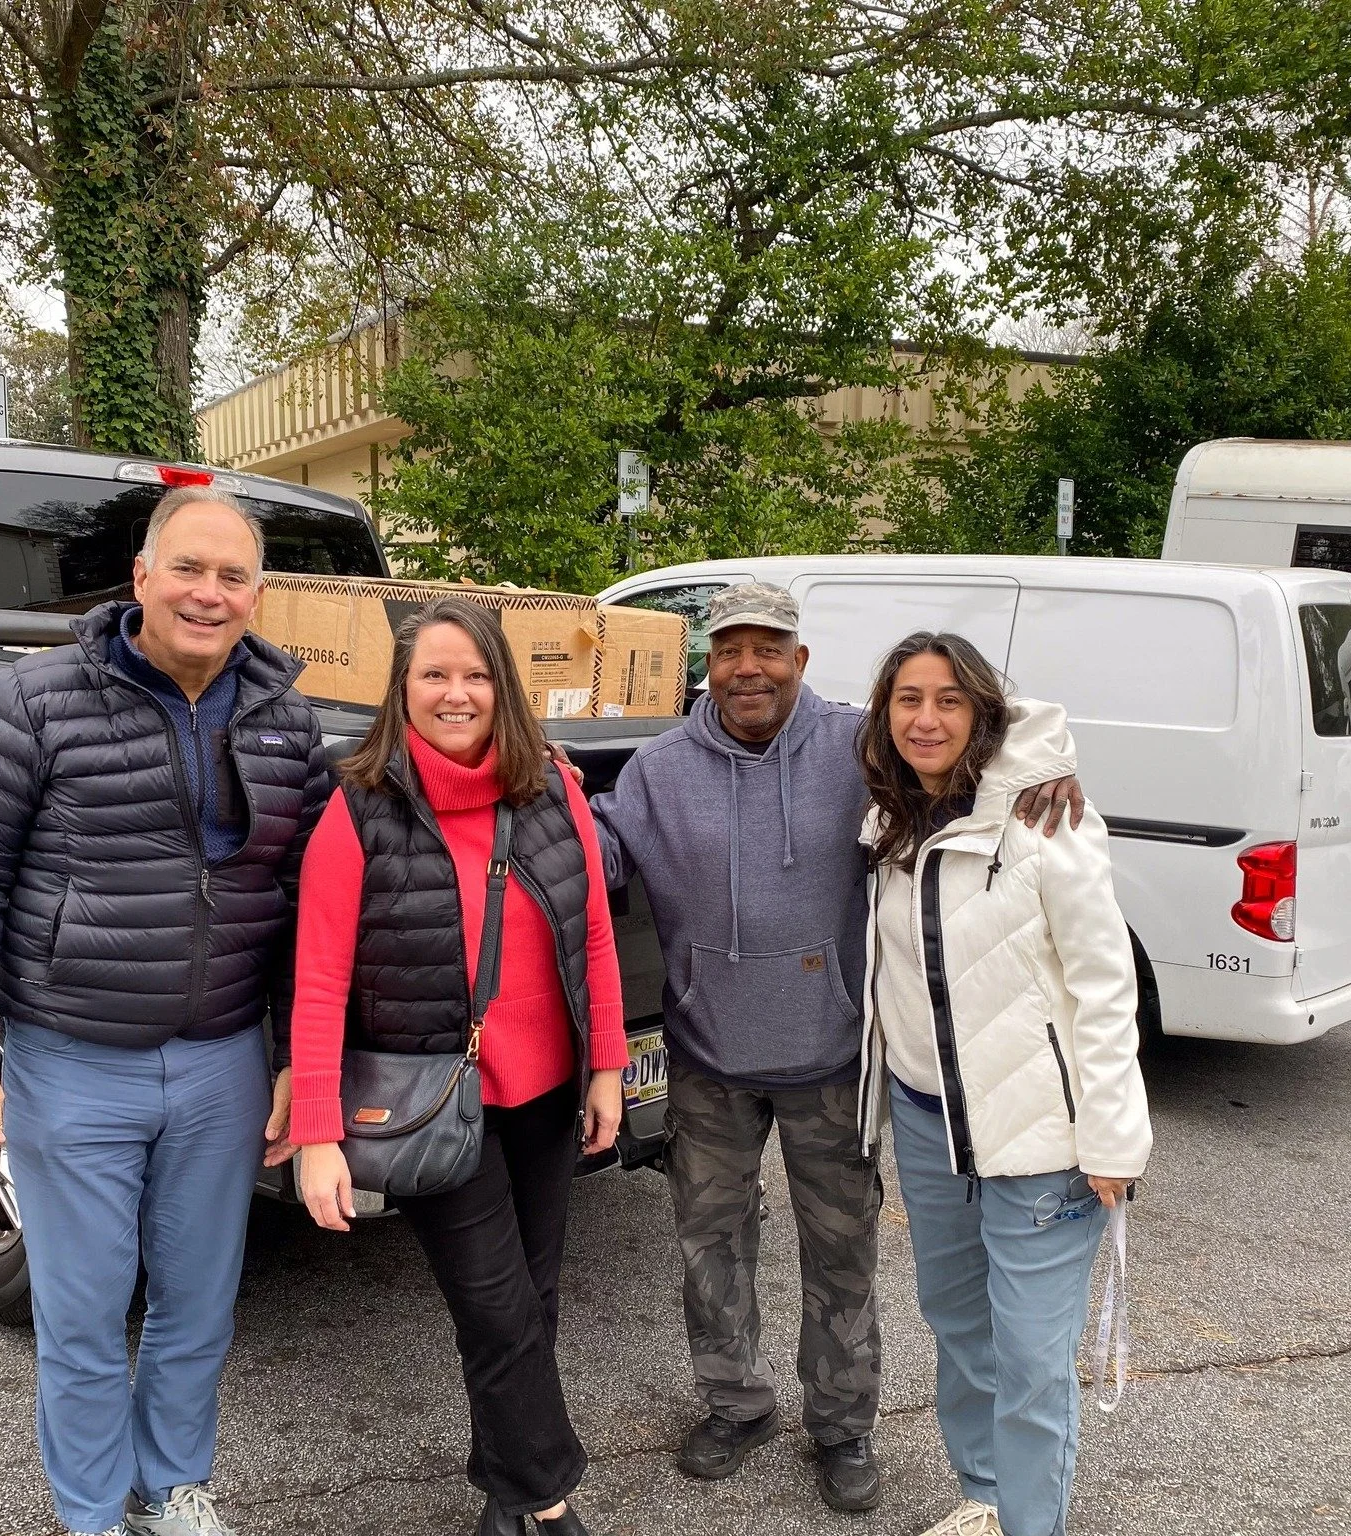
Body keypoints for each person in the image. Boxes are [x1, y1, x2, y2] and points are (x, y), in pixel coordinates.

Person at [586, 582, 1083, 1516]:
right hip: (708, 1058)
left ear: (800, 660)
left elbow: (964, 741)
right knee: (710, 1246)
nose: (748, 667)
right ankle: (735, 1404)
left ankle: (844, 1425)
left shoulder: (859, 748)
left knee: (843, 1251)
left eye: (768, 648)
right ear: (709, 665)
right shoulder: (659, 769)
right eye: (730, 649)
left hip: (832, 1062)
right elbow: (600, 850)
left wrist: (1047, 764)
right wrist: (542, 804)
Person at [0, 487, 330, 1536]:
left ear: (259, 595)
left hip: (224, 1060)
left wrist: (298, 1058)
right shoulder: (36, 702)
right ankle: (94, 1513)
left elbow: (312, 900)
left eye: (233, 576)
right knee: (87, 1313)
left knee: (198, 1306)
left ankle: (170, 1486)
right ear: (142, 577)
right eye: (188, 569)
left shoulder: (288, 718)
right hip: (71, 1058)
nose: (209, 593)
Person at [289, 597, 629, 1536]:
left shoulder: (554, 790)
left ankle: (502, 1489)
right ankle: (550, 1495)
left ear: (503, 689)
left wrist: (608, 1067)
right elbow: (317, 981)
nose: (457, 692)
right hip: (435, 1095)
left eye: (476, 674)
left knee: (532, 1294)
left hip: (549, 1087)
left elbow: (595, 937)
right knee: (496, 1304)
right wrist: (317, 1132)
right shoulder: (358, 810)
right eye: (434, 674)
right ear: (400, 691)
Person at [854, 631, 1152, 1536]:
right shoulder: (887, 820)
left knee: (1029, 1359)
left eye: (951, 699)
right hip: (926, 1120)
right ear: (885, 715)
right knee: (956, 1322)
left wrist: (1112, 1136)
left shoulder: (1042, 820)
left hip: (1037, 1138)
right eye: (909, 699)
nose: (928, 718)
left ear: (986, 711)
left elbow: (1105, 983)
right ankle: (984, 1493)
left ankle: (1032, 1523)